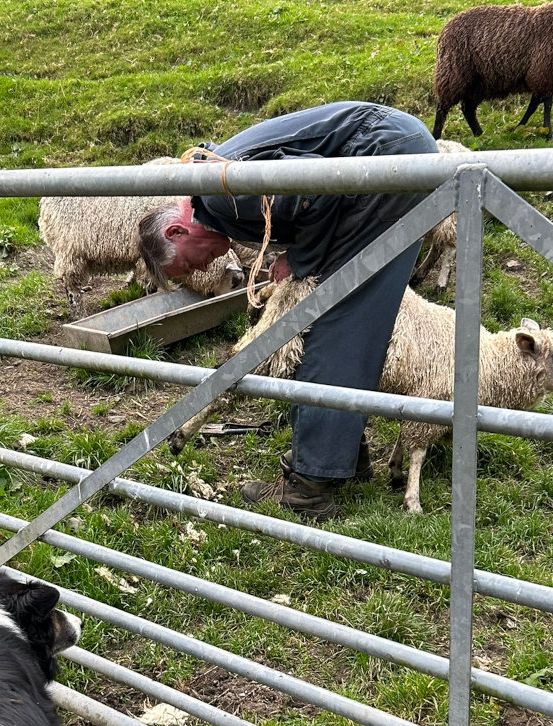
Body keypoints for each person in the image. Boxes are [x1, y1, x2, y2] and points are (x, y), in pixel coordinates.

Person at [137, 101, 439, 521]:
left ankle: (309, 485)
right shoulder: (214, 189)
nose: (202, 270)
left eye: (188, 264)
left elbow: (313, 188)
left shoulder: (221, 198)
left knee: (336, 321)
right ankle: (344, 458)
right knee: (358, 320)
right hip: (393, 151)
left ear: (177, 230)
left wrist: (298, 259)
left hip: (382, 155)